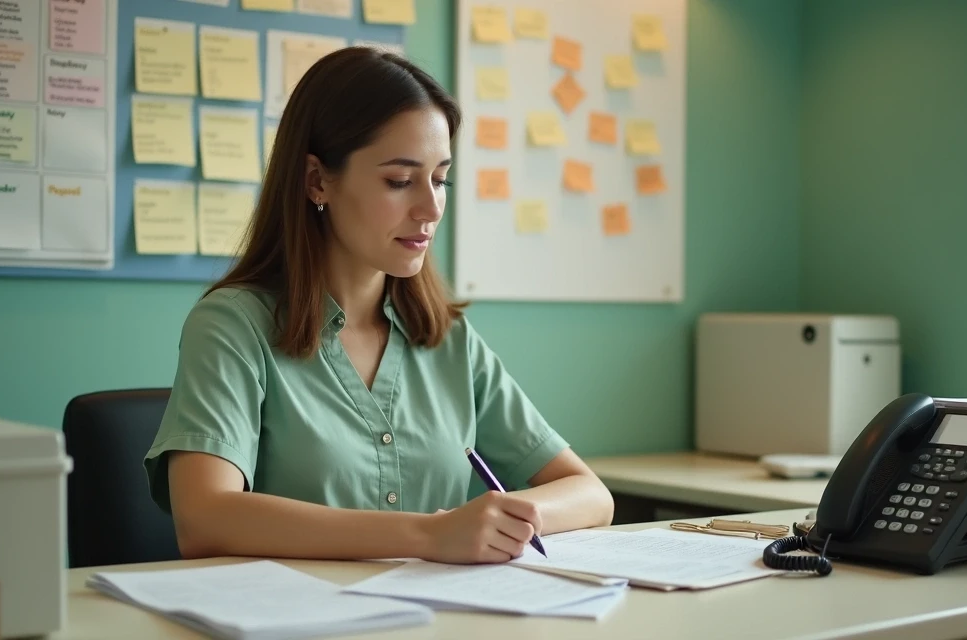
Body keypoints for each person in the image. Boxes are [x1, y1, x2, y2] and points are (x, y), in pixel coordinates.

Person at [143, 47, 615, 565]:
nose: (431, 208)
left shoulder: (447, 338)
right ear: (317, 180)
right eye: (399, 181)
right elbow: (205, 519)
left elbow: (590, 494)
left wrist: (501, 522)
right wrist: (429, 536)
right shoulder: (233, 325)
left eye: (440, 179)